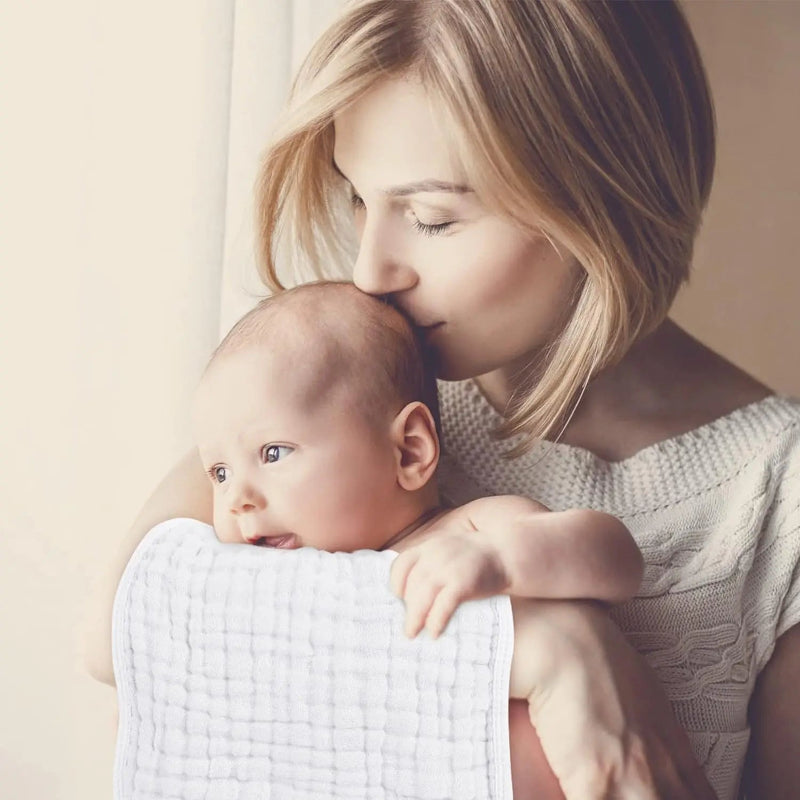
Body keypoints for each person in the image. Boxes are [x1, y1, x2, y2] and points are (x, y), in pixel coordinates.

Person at [83, 1, 800, 798]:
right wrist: (545, 642)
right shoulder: (337, 388)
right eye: (359, 197)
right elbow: (122, 634)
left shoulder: (777, 496)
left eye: (430, 218)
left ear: (603, 195)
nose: (370, 272)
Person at [190, 279, 643, 799]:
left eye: (273, 453)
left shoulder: (466, 534)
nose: (236, 498)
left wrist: (501, 557)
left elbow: (618, 559)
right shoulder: (277, 594)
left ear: (408, 451)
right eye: (218, 472)